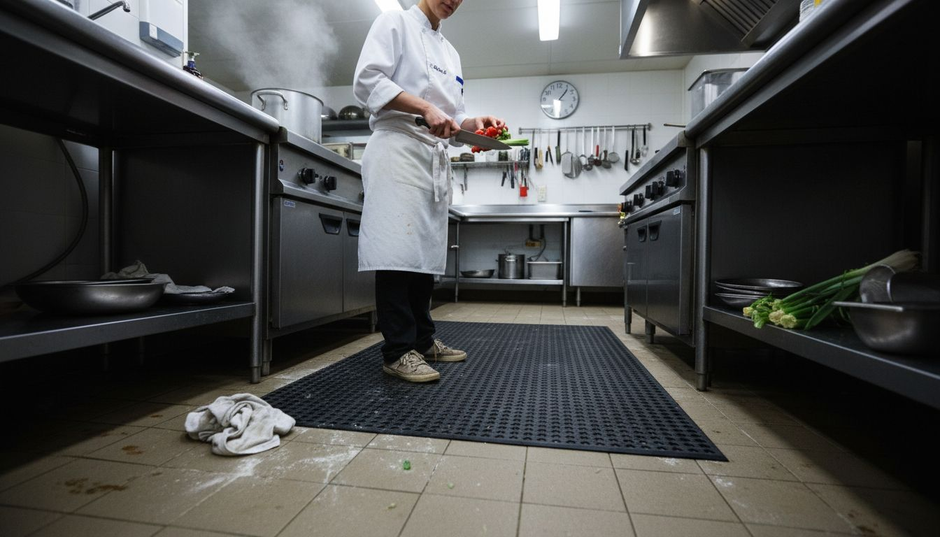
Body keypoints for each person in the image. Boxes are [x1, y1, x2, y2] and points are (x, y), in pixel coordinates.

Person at [353, 0, 504, 383]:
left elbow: (450, 119)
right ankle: (397, 351)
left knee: (422, 255)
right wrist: (423, 107)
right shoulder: (394, 23)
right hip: (398, 149)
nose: (453, 0)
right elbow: (368, 80)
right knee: (396, 252)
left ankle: (422, 340)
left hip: (431, 159)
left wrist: (475, 124)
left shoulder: (449, 53)